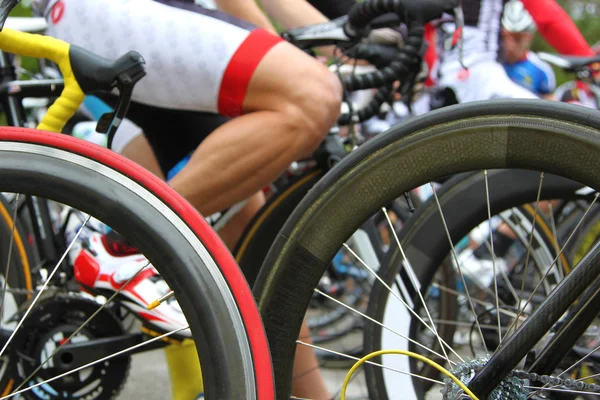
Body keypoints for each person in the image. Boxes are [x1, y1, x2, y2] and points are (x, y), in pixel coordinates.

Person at [34, 0, 344, 398]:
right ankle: (121, 245)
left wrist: (328, 43)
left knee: (251, 234)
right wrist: (338, 43)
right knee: (311, 92)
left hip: (141, 22)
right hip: (107, 14)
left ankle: (310, 396)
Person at [436, 0, 593, 103]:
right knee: (556, 124)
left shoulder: (539, 68)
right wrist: (591, 64)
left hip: (438, 77)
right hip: (479, 75)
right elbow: (547, 17)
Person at [501, 0, 556, 99]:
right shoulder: (490, 63)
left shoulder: (541, 69)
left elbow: (552, 107)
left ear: (529, 37)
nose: (510, 45)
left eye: (517, 38)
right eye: (504, 37)